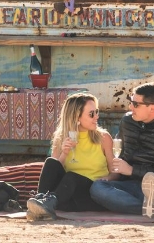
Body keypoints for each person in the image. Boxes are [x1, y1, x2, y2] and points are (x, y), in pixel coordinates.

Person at [89, 83, 154, 218]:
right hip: (127, 184)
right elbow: (120, 153)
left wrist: (131, 170)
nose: (130, 107)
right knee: (97, 188)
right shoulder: (127, 121)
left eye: (136, 104)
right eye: (130, 101)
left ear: (152, 108)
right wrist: (112, 175)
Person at [26, 93, 118, 221]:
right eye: (91, 114)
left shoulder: (103, 138)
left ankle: (46, 204)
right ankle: (41, 201)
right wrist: (64, 153)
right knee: (51, 162)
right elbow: (53, 173)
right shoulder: (61, 138)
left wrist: (106, 180)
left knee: (72, 176)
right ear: (76, 117)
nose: (97, 116)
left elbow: (115, 171)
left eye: (96, 112)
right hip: (66, 195)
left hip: (92, 194)